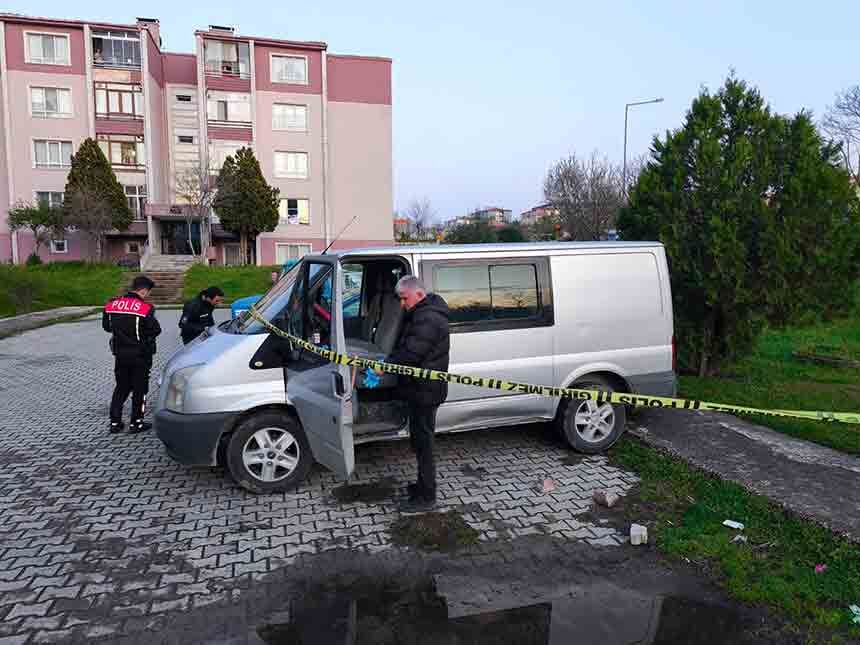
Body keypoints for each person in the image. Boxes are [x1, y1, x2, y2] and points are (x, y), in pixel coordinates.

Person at [380, 275, 450, 512]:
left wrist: (385, 365)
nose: (402, 304)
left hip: (425, 392)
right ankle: (421, 486)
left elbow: (411, 354)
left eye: (404, 298)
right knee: (419, 442)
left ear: (419, 294)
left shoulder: (429, 318)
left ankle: (427, 497)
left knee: (424, 444)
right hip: (419, 389)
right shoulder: (421, 313)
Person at [103, 275, 161, 434]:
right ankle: (137, 423)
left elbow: (107, 327)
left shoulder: (112, 304)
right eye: (148, 292)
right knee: (140, 389)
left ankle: (115, 422)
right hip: (140, 355)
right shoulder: (145, 307)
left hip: (120, 354)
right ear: (143, 290)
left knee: (121, 387)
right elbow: (156, 330)